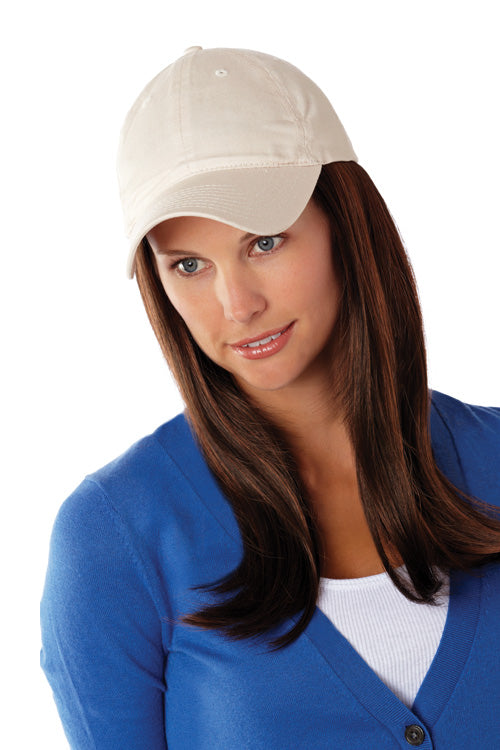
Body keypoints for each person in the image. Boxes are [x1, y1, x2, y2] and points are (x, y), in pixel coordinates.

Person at [40, 46, 500, 749]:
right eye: (188, 264)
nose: (236, 304)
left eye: (264, 242)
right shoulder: (115, 536)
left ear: (346, 223)